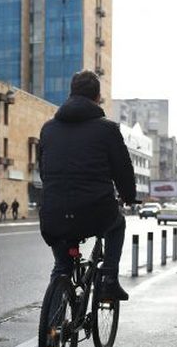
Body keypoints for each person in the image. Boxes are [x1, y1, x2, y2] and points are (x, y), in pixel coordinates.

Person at [38, 70, 136, 301]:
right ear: (97, 97)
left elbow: (43, 172)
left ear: (70, 93)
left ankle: (53, 330)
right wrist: (128, 196)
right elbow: (123, 169)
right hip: (95, 212)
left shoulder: (48, 129)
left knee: (61, 266)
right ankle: (109, 279)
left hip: (53, 213)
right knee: (118, 224)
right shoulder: (108, 129)